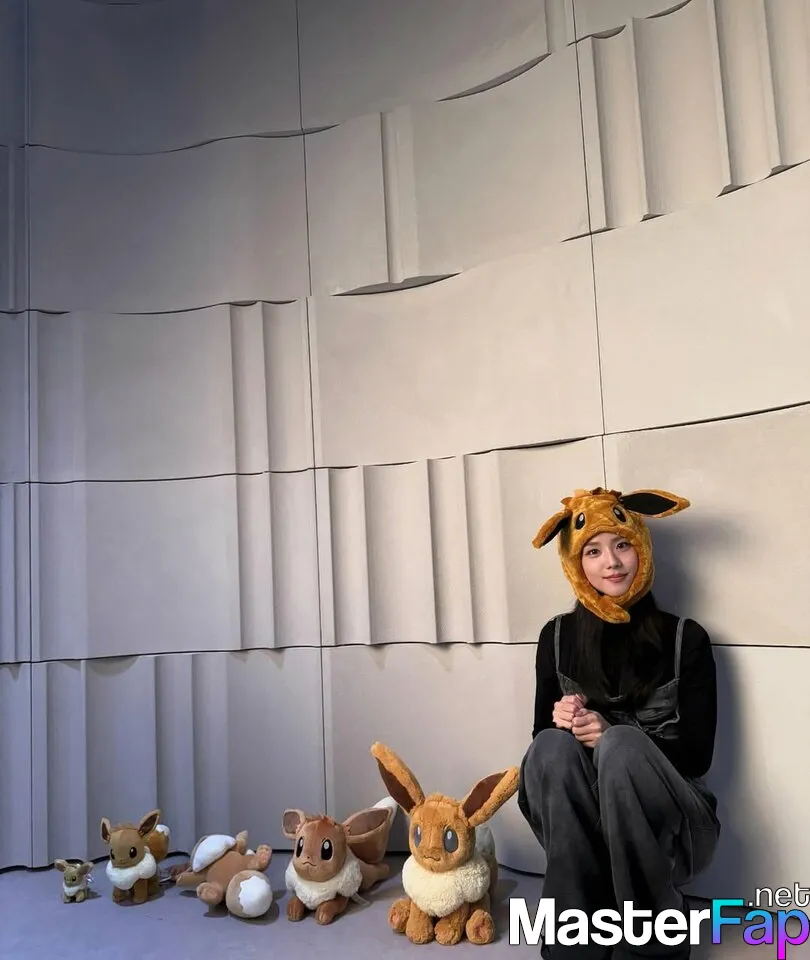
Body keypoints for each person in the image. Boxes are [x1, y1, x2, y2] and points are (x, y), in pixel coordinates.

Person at [517, 487, 721, 960]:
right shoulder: (556, 637)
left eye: (622, 545)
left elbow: (698, 757)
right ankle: (575, 932)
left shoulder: (686, 638)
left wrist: (610, 734)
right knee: (550, 746)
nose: (611, 562)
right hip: (583, 829)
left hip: (674, 829)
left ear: (641, 549)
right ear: (576, 564)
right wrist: (560, 723)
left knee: (623, 745)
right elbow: (543, 755)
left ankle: (652, 937)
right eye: (593, 551)